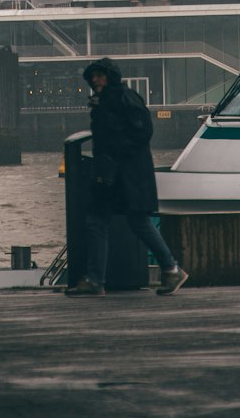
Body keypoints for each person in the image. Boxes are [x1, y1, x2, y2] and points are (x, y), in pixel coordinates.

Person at [65, 57, 188, 298]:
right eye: (93, 77)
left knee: (105, 220)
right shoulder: (107, 101)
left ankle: (96, 280)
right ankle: (170, 269)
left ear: (111, 77)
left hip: (123, 174)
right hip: (121, 174)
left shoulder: (122, 98)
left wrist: (114, 156)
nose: (96, 80)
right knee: (123, 220)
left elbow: (142, 132)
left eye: (100, 75)